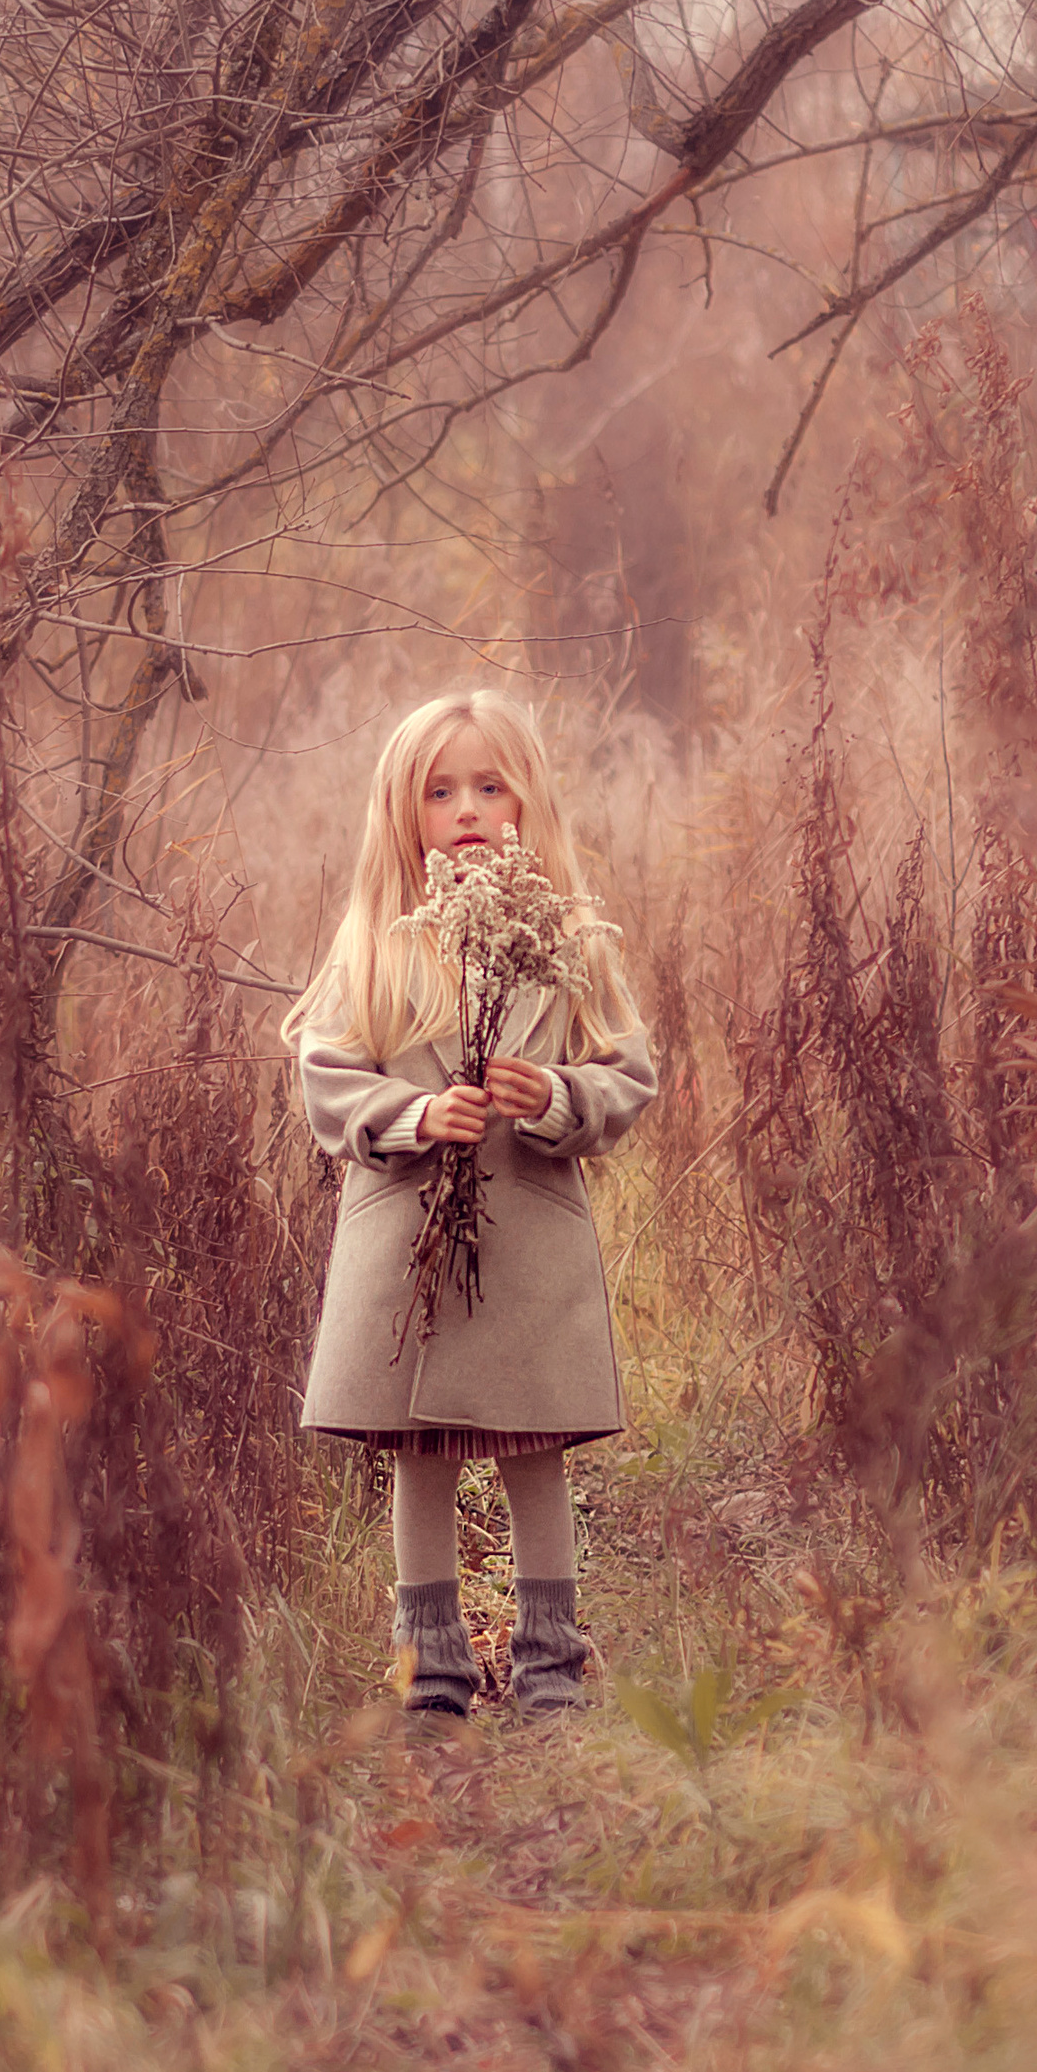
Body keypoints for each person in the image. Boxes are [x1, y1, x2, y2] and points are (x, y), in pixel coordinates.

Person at [283, 692, 657, 1717]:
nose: (467, 809)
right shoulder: (375, 941)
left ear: (529, 803)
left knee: (535, 1448)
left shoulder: (571, 942)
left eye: (491, 786)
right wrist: (412, 1114)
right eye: (441, 790)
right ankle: (429, 1667)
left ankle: (550, 1660)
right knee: (421, 1455)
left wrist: (559, 1096)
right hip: (409, 1243)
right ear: (402, 812)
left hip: (525, 1241)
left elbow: (628, 1072)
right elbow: (326, 1077)